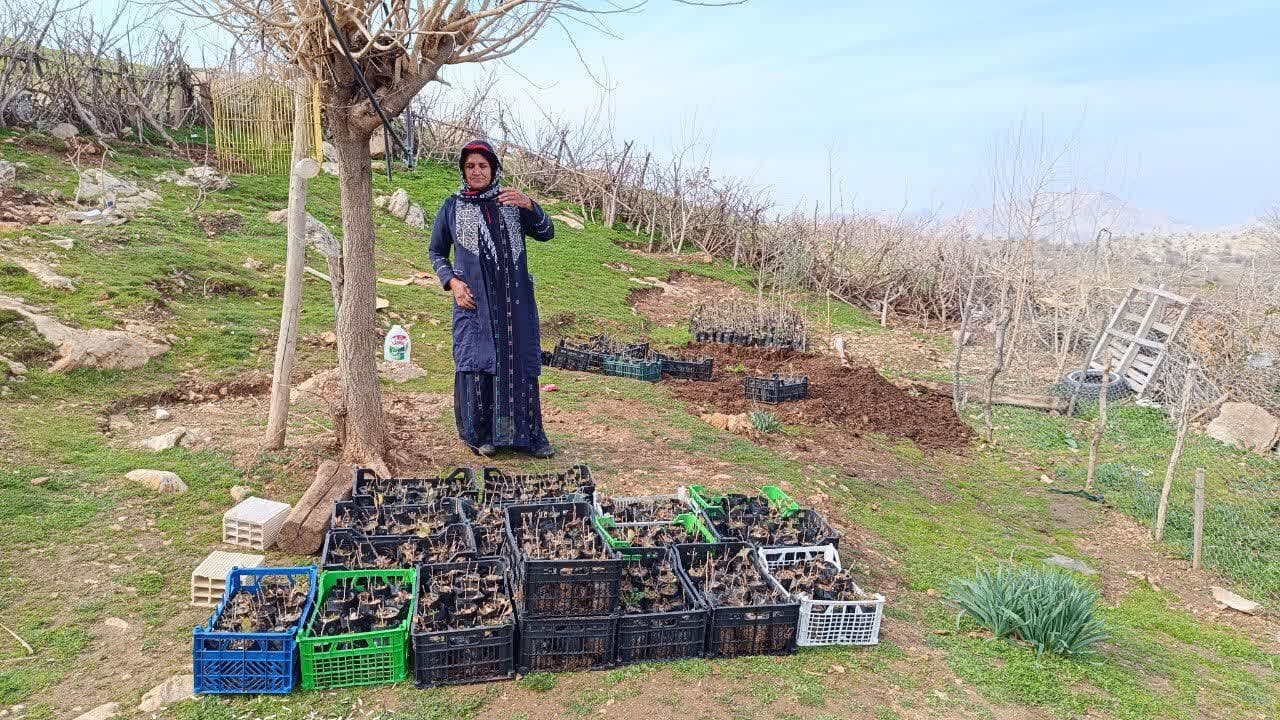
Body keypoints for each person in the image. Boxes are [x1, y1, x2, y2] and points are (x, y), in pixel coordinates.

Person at [429, 140, 556, 458]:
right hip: (475, 304)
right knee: (478, 364)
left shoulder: (511, 203)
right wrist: (453, 282)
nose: (476, 171)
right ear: (463, 170)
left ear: (494, 169)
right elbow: (436, 251)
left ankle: (527, 436)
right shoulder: (452, 207)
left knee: (518, 364)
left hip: (514, 303)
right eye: (470, 166)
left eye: (482, 166)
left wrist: (530, 204)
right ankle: (478, 435)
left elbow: (546, 232)